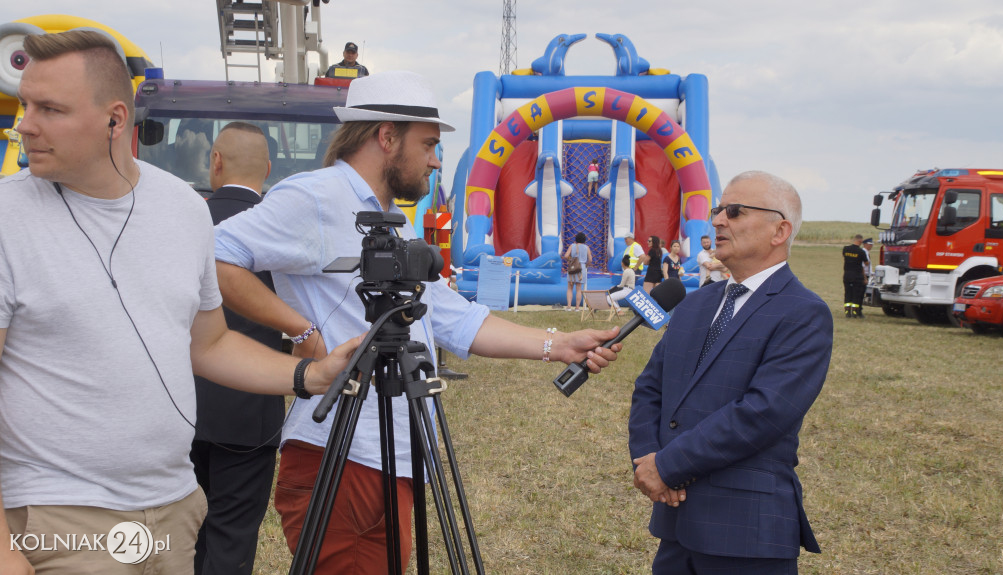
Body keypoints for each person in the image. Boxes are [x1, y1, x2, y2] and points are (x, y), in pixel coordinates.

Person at [213, 71, 622, 574]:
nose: (435, 159)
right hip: (343, 454)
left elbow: (453, 318)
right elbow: (214, 255)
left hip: (393, 453)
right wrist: (301, 329)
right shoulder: (314, 197)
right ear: (386, 137)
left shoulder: (395, 220)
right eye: (428, 144)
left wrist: (557, 343)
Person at [0, 30, 361, 575]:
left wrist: (308, 374)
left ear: (115, 120)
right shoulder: (7, 219)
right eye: (26, 104)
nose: (24, 123)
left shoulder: (182, 209)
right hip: (59, 523)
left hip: (173, 512)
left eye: (49, 108)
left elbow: (209, 343)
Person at [629, 170, 832, 574]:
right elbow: (650, 388)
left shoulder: (804, 313)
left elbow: (762, 413)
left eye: (735, 212)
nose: (718, 220)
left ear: (780, 231)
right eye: (718, 210)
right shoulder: (696, 304)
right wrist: (645, 459)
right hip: (676, 527)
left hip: (746, 531)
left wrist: (667, 467)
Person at [190, 122, 280, 575]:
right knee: (231, 540)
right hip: (250, 412)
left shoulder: (182, 221)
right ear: (267, 168)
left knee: (176, 538)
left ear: (216, 162)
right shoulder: (280, 230)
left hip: (178, 406)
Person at [842, 234, 869, 318]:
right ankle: (854, 313)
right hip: (857, 275)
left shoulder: (845, 249)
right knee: (856, 294)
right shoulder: (861, 252)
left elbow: (844, 257)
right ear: (860, 241)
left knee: (847, 293)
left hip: (847, 274)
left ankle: (847, 312)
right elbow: (866, 263)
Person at [564, 232, 590, 312]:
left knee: (570, 288)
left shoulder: (572, 246)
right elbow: (590, 259)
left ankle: (569, 306)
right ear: (584, 240)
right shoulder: (586, 247)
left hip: (572, 267)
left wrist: (570, 260)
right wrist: (586, 265)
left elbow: (565, 256)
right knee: (579, 289)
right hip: (581, 268)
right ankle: (577, 307)